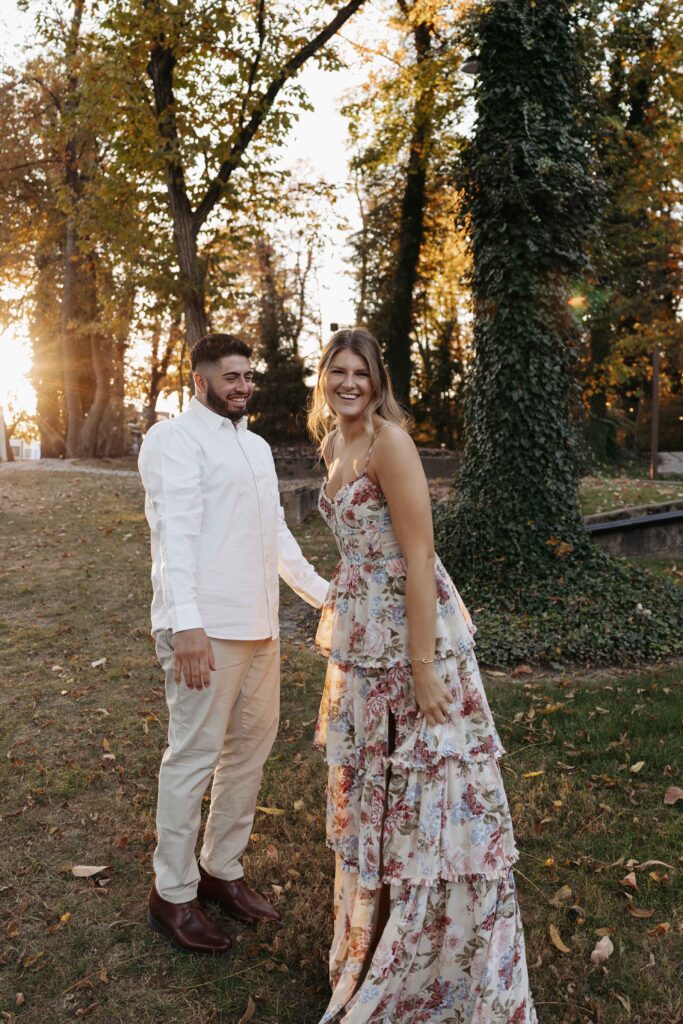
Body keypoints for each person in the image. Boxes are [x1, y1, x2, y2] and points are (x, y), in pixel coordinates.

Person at [309, 328, 537, 1023]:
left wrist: (422, 668)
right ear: (324, 378)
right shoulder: (332, 444)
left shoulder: (389, 445)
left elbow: (418, 556)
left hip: (413, 637)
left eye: (360, 374)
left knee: (430, 784)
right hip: (362, 636)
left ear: (378, 384)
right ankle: (372, 937)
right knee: (377, 783)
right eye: (337, 371)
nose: (348, 383)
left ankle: (442, 955)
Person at [138, 332, 328, 955]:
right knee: (192, 757)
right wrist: (186, 624)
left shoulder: (257, 447)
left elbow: (275, 533)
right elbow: (175, 535)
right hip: (205, 631)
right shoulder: (174, 440)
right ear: (200, 381)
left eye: (248, 375)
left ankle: (222, 872)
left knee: (249, 751)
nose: (243, 386)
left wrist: (324, 595)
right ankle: (172, 894)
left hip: (260, 626)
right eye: (231, 377)